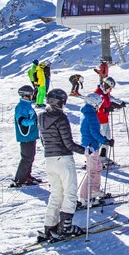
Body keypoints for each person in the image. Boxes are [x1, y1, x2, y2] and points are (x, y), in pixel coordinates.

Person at [37, 89, 88, 240]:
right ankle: (65, 227)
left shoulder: (41, 117)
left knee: (56, 193)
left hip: (50, 160)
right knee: (70, 193)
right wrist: (86, 150)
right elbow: (68, 144)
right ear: (60, 102)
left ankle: (49, 225)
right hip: (63, 159)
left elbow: (43, 140)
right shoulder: (61, 118)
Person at [78, 93, 114, 206]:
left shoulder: (87, 113)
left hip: (90, 145)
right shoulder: (91, 115)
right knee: (92, 171)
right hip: (91, 146)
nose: (99, 106)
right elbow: (94, 132)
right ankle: (85, 196)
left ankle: (94, 190)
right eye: (99, 104)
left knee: (97, 168)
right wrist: (105, 141)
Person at [12, 85, 40, 187]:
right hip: (26, 136)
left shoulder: (27, 106)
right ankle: (20, 179)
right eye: (31, 94)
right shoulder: (21, 107)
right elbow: (21, 121)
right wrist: (34, 121)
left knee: (30, 157)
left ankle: (27, 175)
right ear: (26, 95)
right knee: (26, 158)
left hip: (31, 136)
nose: (33, 96)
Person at [94, 77, 125, 165]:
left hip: (105, 119)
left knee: (107, 138)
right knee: (100, 139)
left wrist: (117, 105)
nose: (110, 90)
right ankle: (93, 159)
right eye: (110, 88)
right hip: (99, 121)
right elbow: (96, 108)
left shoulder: (105, 93)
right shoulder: (98, 94)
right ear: (105, 85)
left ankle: (103, 157)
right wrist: (106, 110)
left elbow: (107, 103)